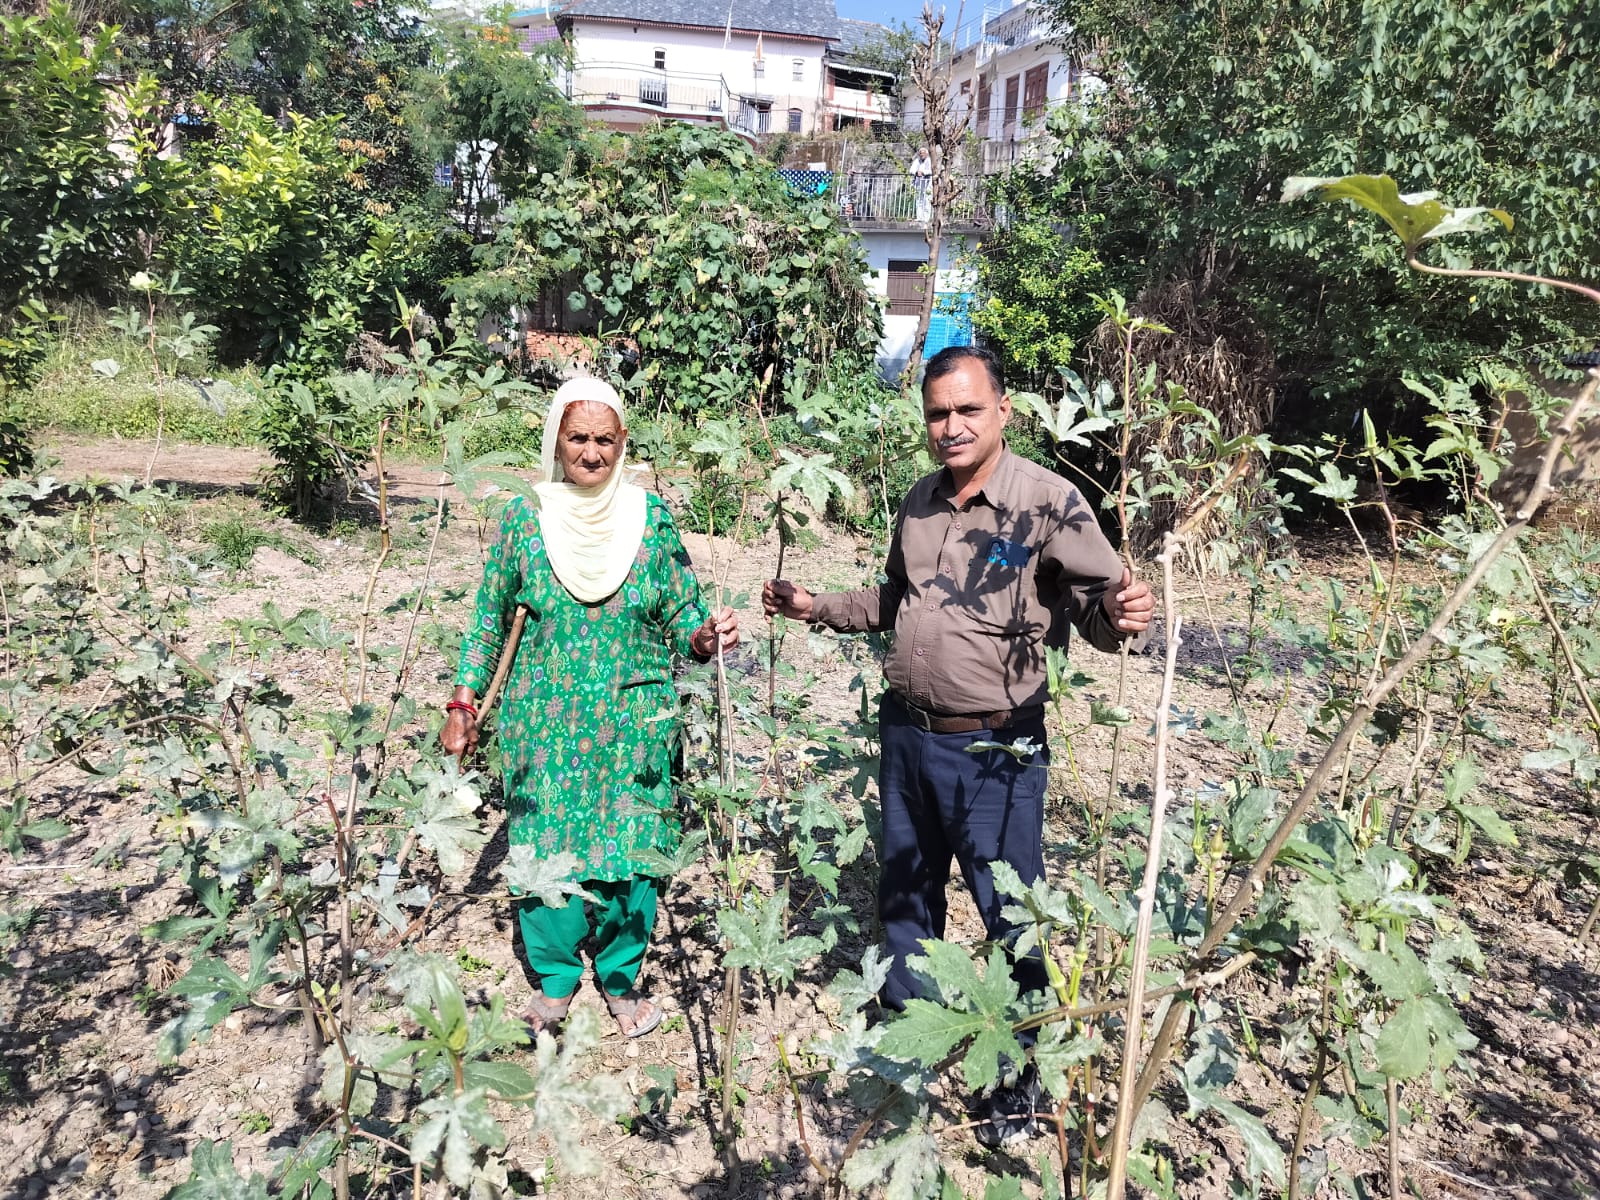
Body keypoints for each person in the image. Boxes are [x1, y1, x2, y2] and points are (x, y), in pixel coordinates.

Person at [761, 345, 1153, 1145]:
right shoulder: (919, 501)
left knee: (1010, 911)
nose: (952, 427)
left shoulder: (1048, 503)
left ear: (1003, 411)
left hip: (995, 750)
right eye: (938, 413)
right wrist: (814, 606)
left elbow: (1100, 611)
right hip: (908, 734)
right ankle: (910, 1038)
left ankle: (1020, 1080)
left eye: (968, 410)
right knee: (907, 894)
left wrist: (1123, 616)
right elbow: (895, 599)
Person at [444, 376, 738, 1039]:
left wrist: (704, 637)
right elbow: (488, 621)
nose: (592, 453)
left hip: (636, 720)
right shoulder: (525, 518)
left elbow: (682, 614)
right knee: (545, 844)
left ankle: (619, 977)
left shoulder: (650, 518)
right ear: (556, 441)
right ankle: (554, 978)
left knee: (633, 846)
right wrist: (464, 702)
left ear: (622, 442)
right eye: (577, 437)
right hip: (543, 724)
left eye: (605, 439)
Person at [909, 145, 932, 222]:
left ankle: (926, 218)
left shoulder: (930, 160)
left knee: (927, 200)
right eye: (920, 153)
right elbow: (911, 170)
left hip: (928, 184)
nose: (922, 154)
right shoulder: (917, 161)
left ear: (926, 153)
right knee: (919, 200)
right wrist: (916, 172)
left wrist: (923, 172)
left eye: (923, 153)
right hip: (919, 183)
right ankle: (919, 217)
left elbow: (932, 170)